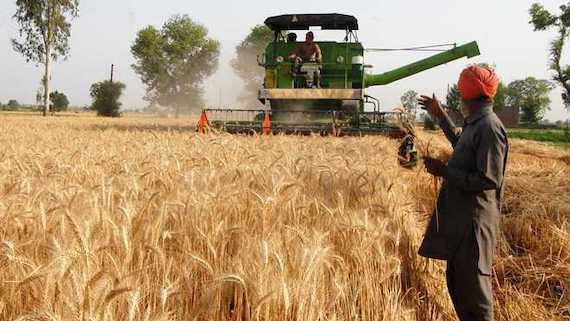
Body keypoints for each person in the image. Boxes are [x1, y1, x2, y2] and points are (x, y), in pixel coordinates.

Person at [417, 65, 509, 321]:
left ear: (467, 95)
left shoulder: (489, 128)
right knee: (458, 286)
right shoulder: (476, 124)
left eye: (460, 91)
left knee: (476, 298)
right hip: (462, 225)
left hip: (474, 227)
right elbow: (461, 143)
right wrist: (441, 115)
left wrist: (445, 172)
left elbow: (489, 178)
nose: (459, 96)